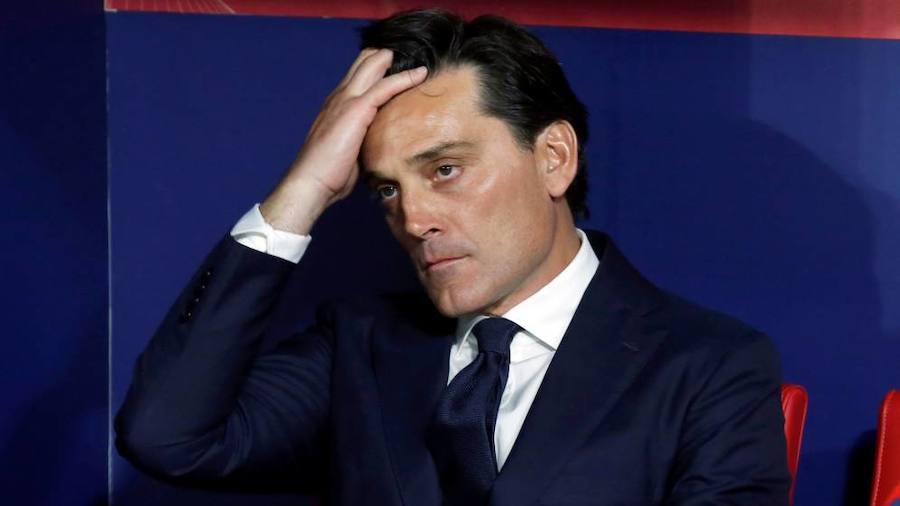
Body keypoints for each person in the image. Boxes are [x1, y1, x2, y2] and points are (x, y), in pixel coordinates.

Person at [115, 8, 791, 506]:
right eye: (387, 189)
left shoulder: (710, 365)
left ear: (554, 158)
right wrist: (305, 187)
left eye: (444, 170)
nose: (413, 219)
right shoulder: (358, 346)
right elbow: (167, 437)